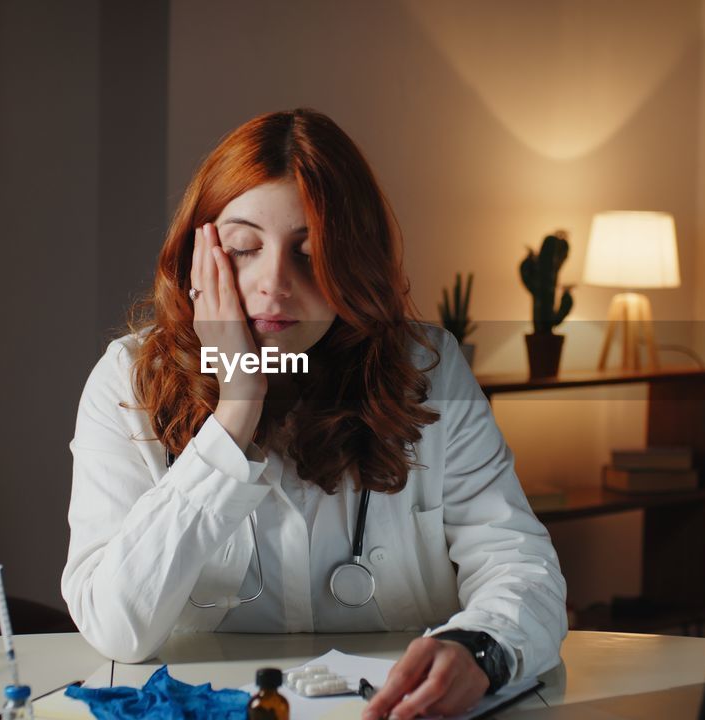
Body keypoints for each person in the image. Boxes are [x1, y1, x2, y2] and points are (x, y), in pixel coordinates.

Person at [62, 108, 566, 720]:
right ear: (200, 257)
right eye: (244, 248)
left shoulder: (428, 369)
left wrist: (479, 648)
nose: (274, 283)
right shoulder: (127, 379)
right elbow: (114, 627)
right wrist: (236, 408)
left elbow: (520, 565)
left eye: (310, 255)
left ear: (353, 265)